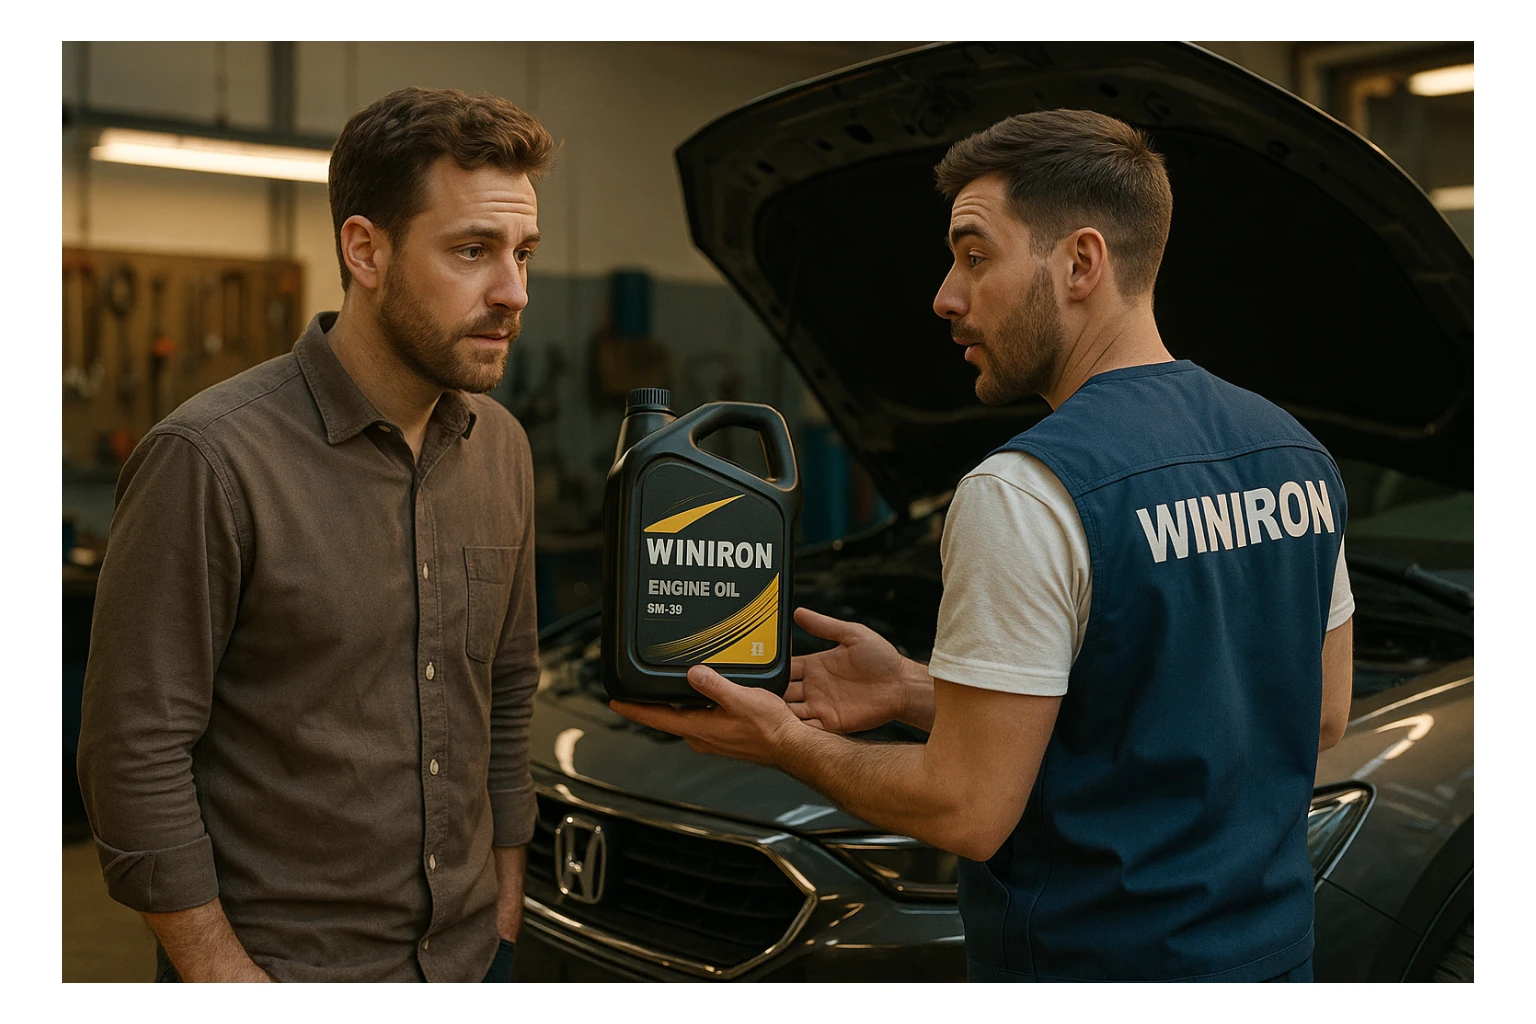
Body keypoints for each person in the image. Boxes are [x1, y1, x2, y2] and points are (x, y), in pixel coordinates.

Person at [611, 109, 1356, 983]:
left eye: (974, 254)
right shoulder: (1294, 453)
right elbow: (1312, 713)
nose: (945, 295)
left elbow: (966, 808)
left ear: (1081, 263)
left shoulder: (1026, 489)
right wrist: (918, 690)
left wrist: (786, 743)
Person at [75, 87, 555, 982]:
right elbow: (131, 749)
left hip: (464, 960)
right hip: (280, 970)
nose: (512, 292)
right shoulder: (209, 460)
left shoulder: (504, 452)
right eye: (472, 251)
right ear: (364, 250)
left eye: (524, 253)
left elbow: (511, 687)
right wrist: (221, 976)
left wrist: (504, 887)